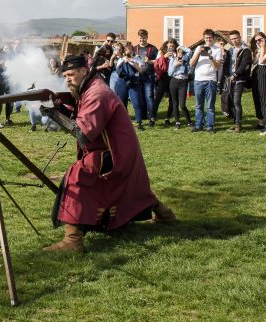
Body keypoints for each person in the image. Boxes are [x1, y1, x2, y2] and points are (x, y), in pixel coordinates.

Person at [43, 55, 176, 253]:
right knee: (134, 189)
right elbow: (81, 113)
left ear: (83, 71)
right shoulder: (91, 86)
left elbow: (83, 134)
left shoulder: (97, 93)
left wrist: (54, 114)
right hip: (116, 147)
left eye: (71, 74)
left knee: (77, 178)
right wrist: (61, 106)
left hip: (113, 151)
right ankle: (165, 214)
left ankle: (73, 241)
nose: (67, 79)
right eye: (65, 75)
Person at [189, 29, 223, 132]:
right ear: (203, 38)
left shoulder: (217, 50)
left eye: (210, 38)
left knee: (210, 105)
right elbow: (191, 63)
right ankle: (198, 125)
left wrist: (210, 57)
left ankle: (210, 126)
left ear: (213, 38)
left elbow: (217, 67)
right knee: (199, 105)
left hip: (210, 80)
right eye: (206, 38)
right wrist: (198, 53)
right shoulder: (199, 48)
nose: (208, 40)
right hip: (198, 80)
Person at [225, 30, 251, 132]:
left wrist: (235, 75)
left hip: (239, 79)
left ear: (240, 37)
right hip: (230, 79)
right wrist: (227, 76)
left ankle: (239, 125)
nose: (234, 41)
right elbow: (226, 64)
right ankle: (235, 122)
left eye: (235, 38)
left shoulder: (245, 50)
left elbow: (244, 65)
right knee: (231, 102)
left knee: (236, 102)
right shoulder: (230, 49)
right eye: (231, 39)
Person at [133, 29, 158, 127]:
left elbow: (158, 61)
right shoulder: (135, 48)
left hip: (149, 76)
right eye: (140, 38)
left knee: (149, 97)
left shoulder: (152, 48)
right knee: (140, 98)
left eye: (143, 38)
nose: (142, 40)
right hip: (138, 76)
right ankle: (143, 116)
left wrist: (150, 61)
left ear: (147, 37)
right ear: (138, 38)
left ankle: (152, 119)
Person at [250, 31, 266, 130]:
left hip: (264, 70)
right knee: (256, 97)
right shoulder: (258, 48)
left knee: (264, 97)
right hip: (256, 71)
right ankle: (261, 121)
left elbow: (263, 61)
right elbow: (255, 62)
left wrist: (263, 48)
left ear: (264, 38)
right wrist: (257, 52)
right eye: (256, 41)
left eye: (260, 39)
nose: (259, 42)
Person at [166, 39, 191, 128]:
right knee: (174, 103)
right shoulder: (173, 58)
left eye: (181, 51)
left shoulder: (186, 57)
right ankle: (177, 122)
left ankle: (189, 122)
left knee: (182, 105)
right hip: (174, 81)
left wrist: (181, 47)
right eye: (178, 51)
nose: (180, 53)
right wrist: (175, 65)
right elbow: (169, 73)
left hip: (183, 81)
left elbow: (190, 51)